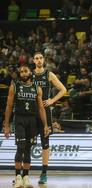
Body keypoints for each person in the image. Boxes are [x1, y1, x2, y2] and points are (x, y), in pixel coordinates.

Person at [3, 65, 49, 188]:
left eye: (25, 71)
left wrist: (45, 125)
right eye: (21, 72)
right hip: (19, 119)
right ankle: (18, 177)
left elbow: (41, 108)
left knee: (28, 149)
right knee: (20, 148)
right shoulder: (15, 86)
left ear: (30, 72)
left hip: (32, 120)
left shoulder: (37, 88)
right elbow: (8, 106)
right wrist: (6, 124)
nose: (23, 73)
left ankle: (26, 177)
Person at [32, 52, 67, 184]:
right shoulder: (29, 75)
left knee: (45, 144)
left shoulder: (49, 74)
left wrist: (52, 100)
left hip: (45, 111)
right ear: (33, 61)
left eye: (41, 58)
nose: (39, 60)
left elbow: (63, 89)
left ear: (44, 60)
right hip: (31, 111)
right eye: (37, 58)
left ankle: (44, 173)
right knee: (26, 144)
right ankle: (24, 174)